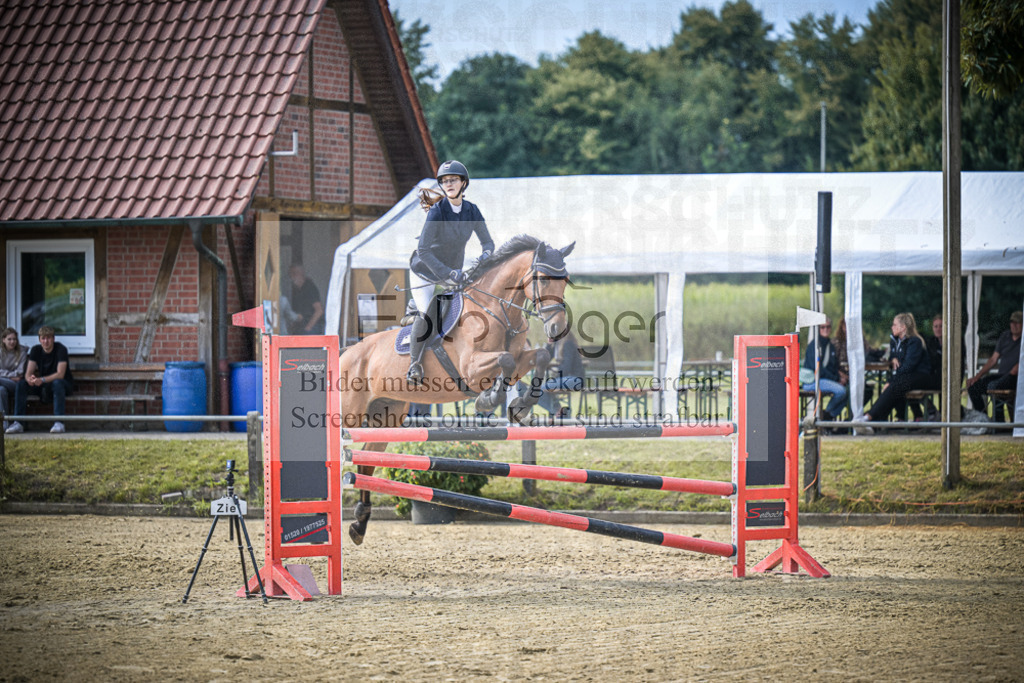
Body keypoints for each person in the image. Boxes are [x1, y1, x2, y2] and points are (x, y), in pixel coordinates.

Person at [406, 160, 494, 384]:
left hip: (453, 273)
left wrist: (485, 256)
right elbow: (423, 250)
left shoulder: (472, 210)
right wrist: (447, 272)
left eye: (453, 180)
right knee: (428, 313)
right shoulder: (437, 211)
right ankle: (414, 364)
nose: (449, 184)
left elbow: (488, 243)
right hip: (424, 272)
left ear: (463, 183)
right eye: (445, 181)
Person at [852, 313, 931, 434]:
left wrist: (891, 381)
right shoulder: (895, 341)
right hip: (906, 377)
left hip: (920, 376)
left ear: (903, 327)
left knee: (894, 386)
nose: (892, 327)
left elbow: (909, 366)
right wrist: (893, 359)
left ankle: (869, 417)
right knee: (895, 388)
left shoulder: (915, 342)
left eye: (894, 324)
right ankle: (874, 424)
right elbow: (895, 356)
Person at [5, 326, 75, 434]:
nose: (46, 341)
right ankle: (18, 423)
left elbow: (60, 374)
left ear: (53, 339)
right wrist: (31, 379)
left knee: (57, 383)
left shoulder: (61, 349)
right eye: (43, 338)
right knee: (21, 384)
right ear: (39, 339)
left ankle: (59, 423)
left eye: (48, 338)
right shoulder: (36, 350)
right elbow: (28, 374)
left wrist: (41, 379)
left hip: (62, 384)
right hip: (43, 384)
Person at [966, 310, 1022, 422]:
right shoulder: (1005, 336)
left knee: (995, 386)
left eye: (1017, 323)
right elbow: (993, 360)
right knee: (974, 387)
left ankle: (999, 422)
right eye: (1012, 322)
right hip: (1002, 375)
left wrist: (1014, 371)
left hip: (1017, 377)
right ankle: (983, 418)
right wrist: (977, 377)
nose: (1014, 325)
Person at [801, 318, 849, 422]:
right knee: (841, 391)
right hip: (813, 381)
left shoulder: (830, 345)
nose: (825, 329)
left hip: (824, 379)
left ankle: (827, 416)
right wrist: (837, 379)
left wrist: (841, 378)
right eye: (822, 327)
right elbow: (818, 369)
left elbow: (832, 367)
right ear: (818, 329)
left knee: (848, 392)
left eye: (828, 327)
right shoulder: (814, 345)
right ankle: (826, 415)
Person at [1, 327, 29, 431]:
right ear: (3, 340)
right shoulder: (0, 353)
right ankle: (4, 423)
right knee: (1, 390)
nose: (12, 342)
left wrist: (3, 375)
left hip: (16, 385)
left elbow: (20, 373)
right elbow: (15, 374)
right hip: (4, 384)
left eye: (14, 339)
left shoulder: (22, 352)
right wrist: (10, 375)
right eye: (9, 339)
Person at [288, 263, 324, 335]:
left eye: (294, 274)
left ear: (302, 274)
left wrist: (308, 328)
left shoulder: (310, 288)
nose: (292, 277)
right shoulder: (297, 290)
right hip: (301, 327)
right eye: (290, 274)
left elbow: (319, 310)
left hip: (311, 328)